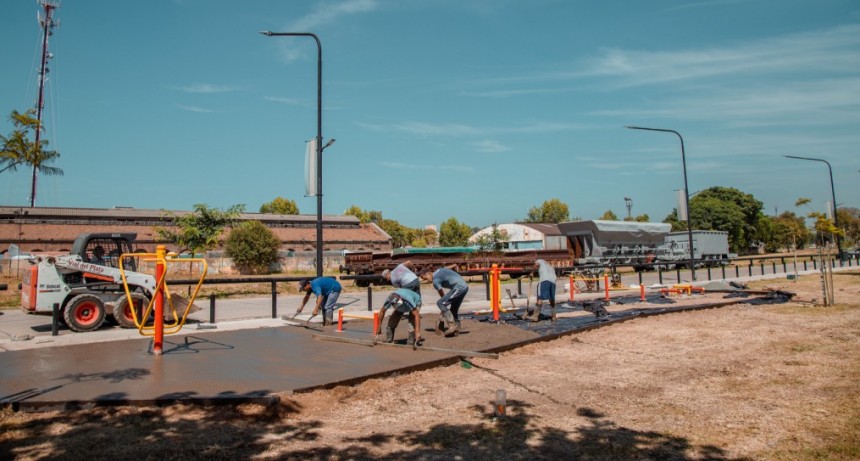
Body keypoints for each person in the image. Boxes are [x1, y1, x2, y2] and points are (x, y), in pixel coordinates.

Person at [420, 266, 468, 336]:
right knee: (453, 309)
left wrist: (443, 307)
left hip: (459, 288)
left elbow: (441, 293)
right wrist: (444, 307)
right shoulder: (438, 270)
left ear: (429, 273)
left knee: (439, 303)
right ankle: (457, 330)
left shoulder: (435, 281)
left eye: (426, 278)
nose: (428, 281)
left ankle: (452, 325)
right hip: (465, 286)